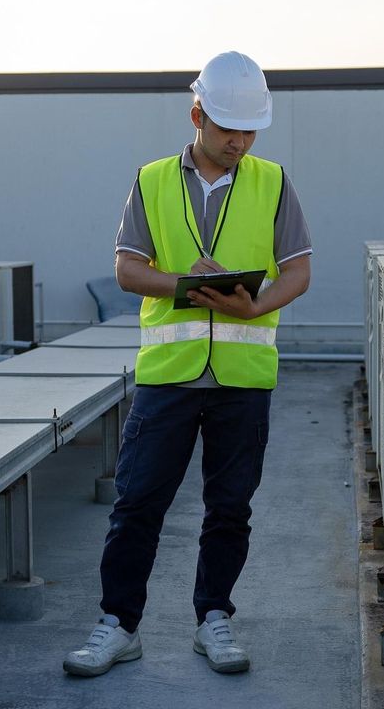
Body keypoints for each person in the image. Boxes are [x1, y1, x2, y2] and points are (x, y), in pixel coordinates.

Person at [63, 52, 313, 677]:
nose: (240, 140)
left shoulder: (272, 182)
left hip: (242, 379)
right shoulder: (150, 181)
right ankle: (119, 625)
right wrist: (184, 284)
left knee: (230, 507)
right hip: (167, 376)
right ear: (197, 113)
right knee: (137, 503)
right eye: (229, 126)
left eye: (250, 129)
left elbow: (300, 272)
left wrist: (251, 308)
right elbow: (128, 269)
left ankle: (214, 620)